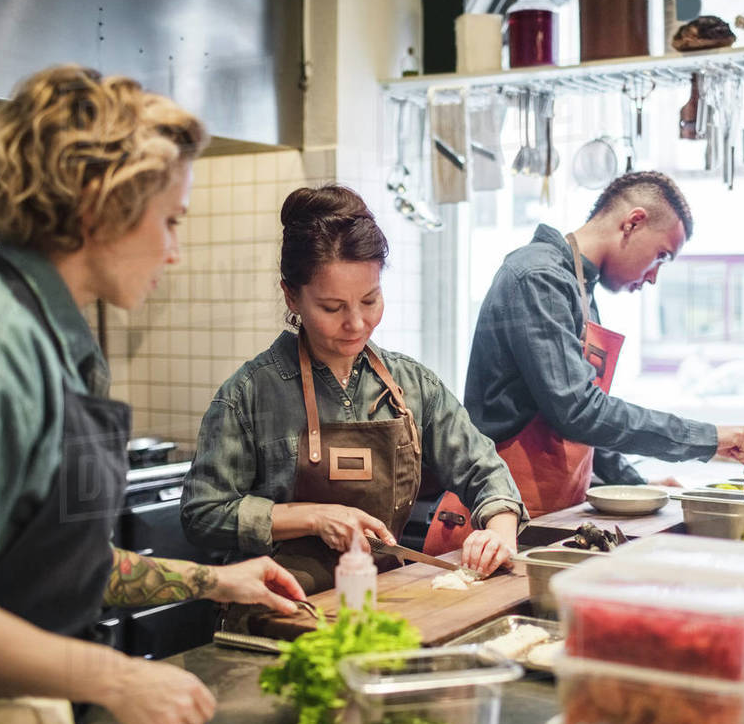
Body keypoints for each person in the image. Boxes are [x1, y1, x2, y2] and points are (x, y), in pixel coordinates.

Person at [0, 65, 306, 724]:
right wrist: (117, 678)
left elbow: (56, 565)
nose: (174, 251)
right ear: (100, 207)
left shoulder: (58, 346)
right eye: (169, 221)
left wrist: (216, 581)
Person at [181, 185, 525, 595]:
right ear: (292, 296)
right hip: (282, 610)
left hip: (383, 602)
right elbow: (203, 514)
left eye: (370, 300)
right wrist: (312, 517)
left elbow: (485, 471)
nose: (357, 323)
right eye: (332, 308)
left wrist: (499, 532)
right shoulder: (249, 395)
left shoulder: (413, 386)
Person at [462, 170, 744, 518]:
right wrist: (709, 438)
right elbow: (579, 412)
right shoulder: (540, 278)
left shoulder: (578, 286)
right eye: (661, 256)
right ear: (633, 222)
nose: (653, 277)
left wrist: (636, 485)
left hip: (541, 510)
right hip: (493, 519)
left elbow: (580, 425)